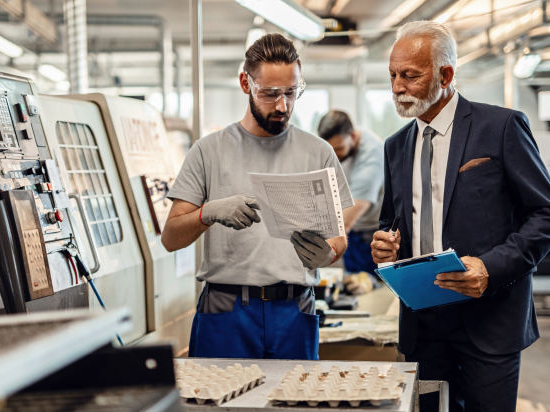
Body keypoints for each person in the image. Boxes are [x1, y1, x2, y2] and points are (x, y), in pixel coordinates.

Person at [371, 20, 550, 412]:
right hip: (423, 325)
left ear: (445, 75)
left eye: (410, 76)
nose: (398, 87)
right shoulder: (396, 145)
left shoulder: (501, 127)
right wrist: (385, 245)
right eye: (393, 75)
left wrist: (490, 268)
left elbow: (544, 214)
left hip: (489, 319)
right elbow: (392, 222)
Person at [161, 33, 353, 360]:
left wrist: (329, 253)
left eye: (292, 93)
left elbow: (338, 236)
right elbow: (171, 238)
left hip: (295, 309)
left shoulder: (318, 152)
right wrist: (207, 213)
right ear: (245, 83)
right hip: (226, 310)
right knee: (218, 406)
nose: (283, 105)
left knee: (297, 404)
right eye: (270, 93)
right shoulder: (208, 151)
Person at [318, 111, 384, 294]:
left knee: (369, 290)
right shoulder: (343, 138)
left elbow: (345, 222)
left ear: (352, 137)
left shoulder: (371, 160)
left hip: (371, 236)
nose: (335, 155)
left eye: (338, 149)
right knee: (352, 287)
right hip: (353, 231)